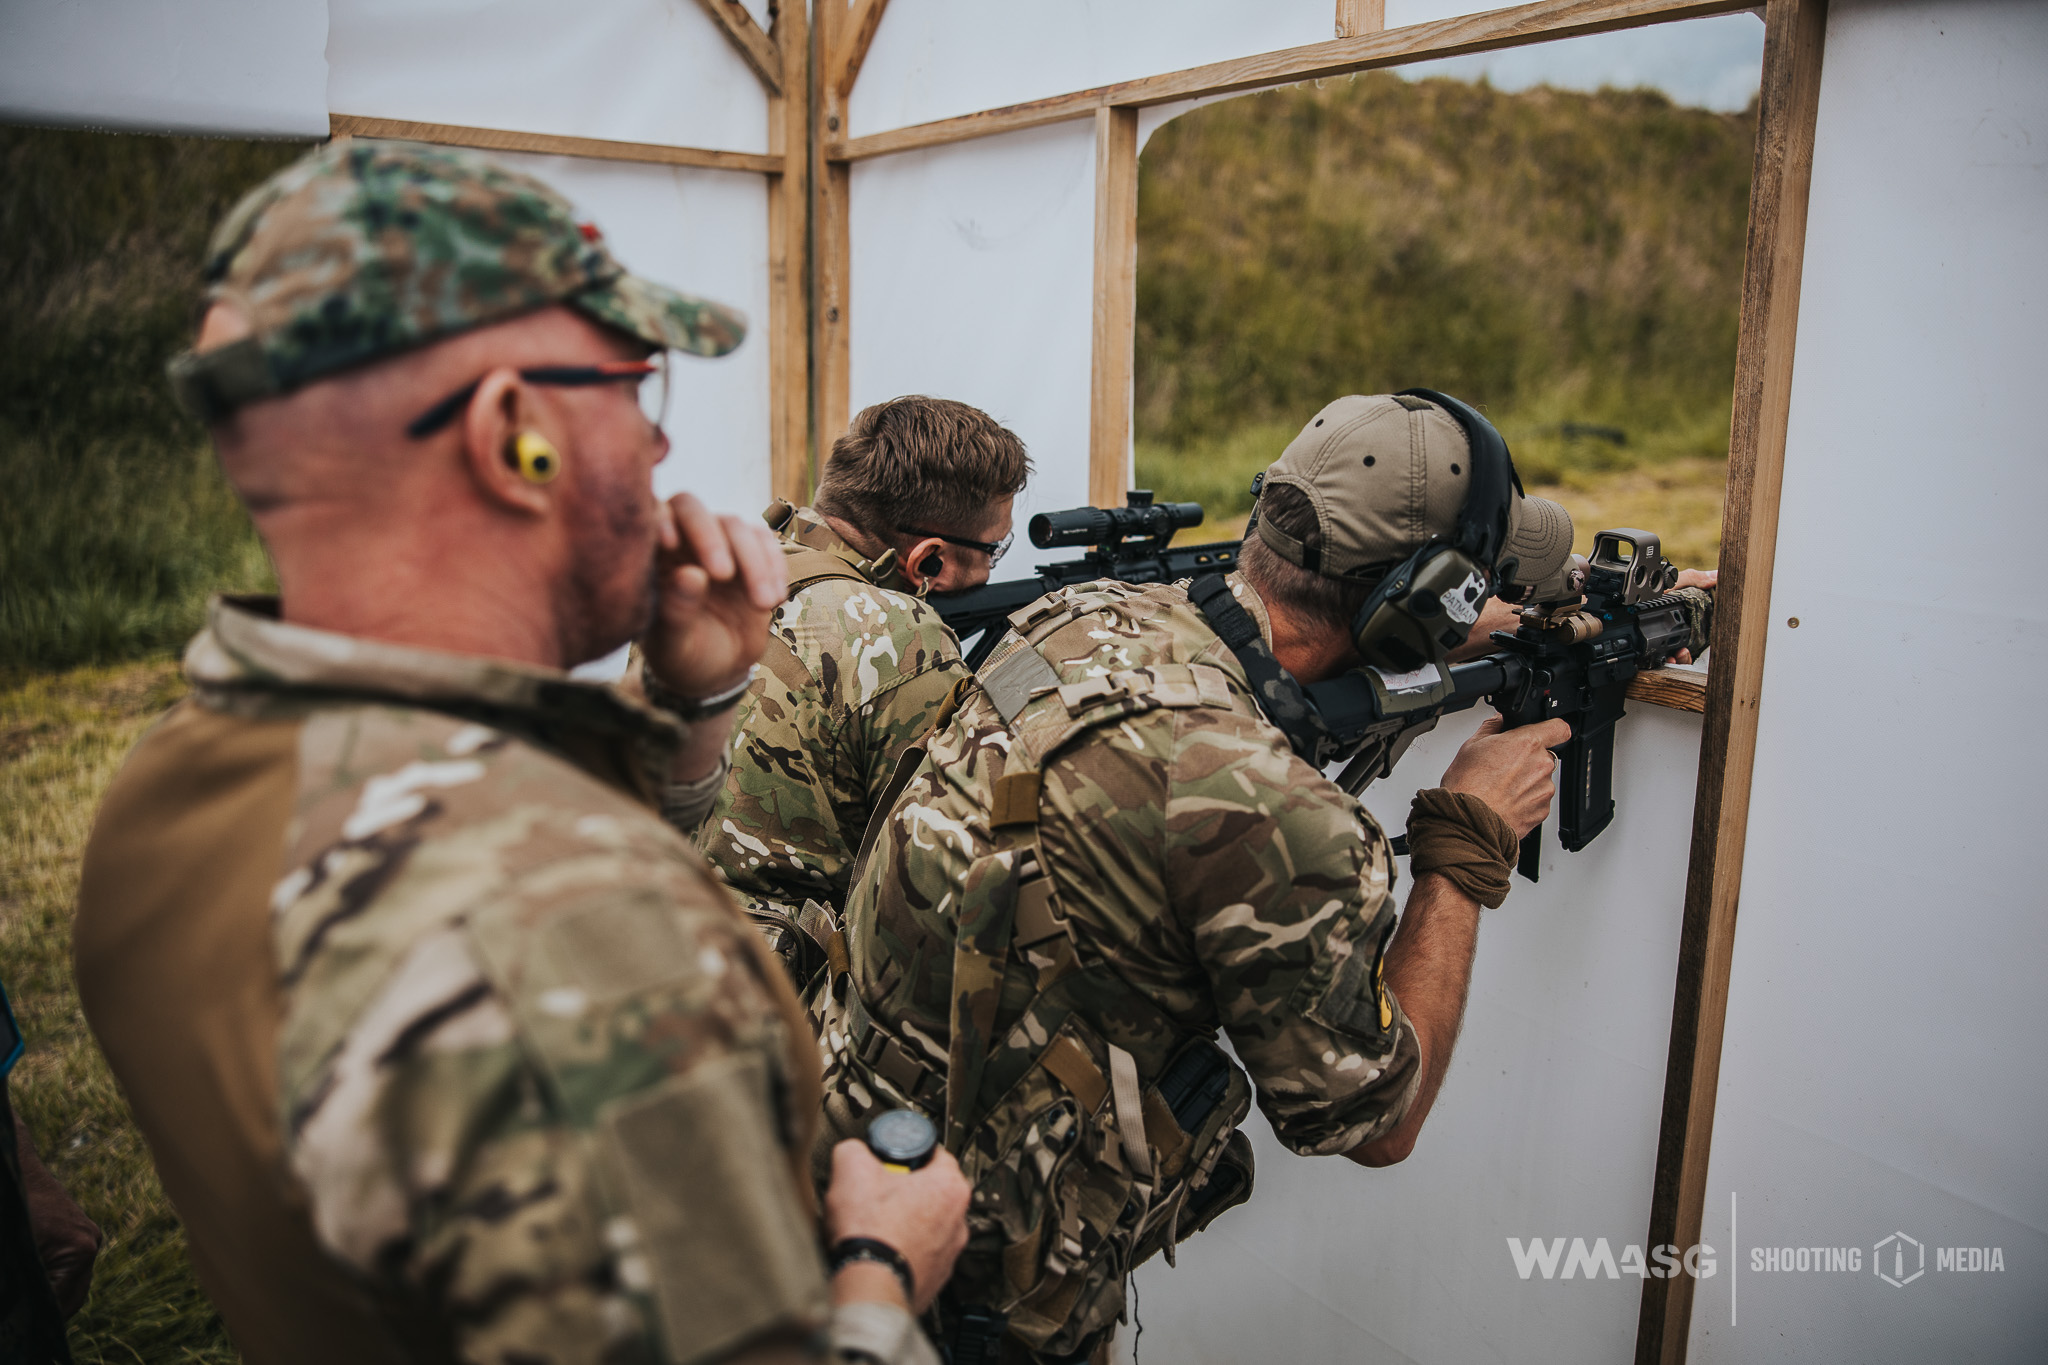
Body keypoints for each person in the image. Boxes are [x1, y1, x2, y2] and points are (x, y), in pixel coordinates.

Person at [72, 138, 967, 1365]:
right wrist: (879, 1269)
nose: (657, 452)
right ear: (513, 434)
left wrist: (694, 701)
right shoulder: (582, 938)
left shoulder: (175, 780)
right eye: (632, 390)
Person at [812, 391, 1710, 1363]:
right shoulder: (1274, 819)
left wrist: (1505, 613)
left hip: (846, 1162)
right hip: (984, 1297)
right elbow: (1377, 1122)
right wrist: (1468, 836)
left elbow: (1242, 699)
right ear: (1415, 603)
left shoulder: (1085, 613)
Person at [696, 398, 1029, 985]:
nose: (994, 568)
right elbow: (958, 863)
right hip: (779, 1007)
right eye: (993, 550)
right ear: (929, 560)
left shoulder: (713, 572)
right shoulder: (899, 636)